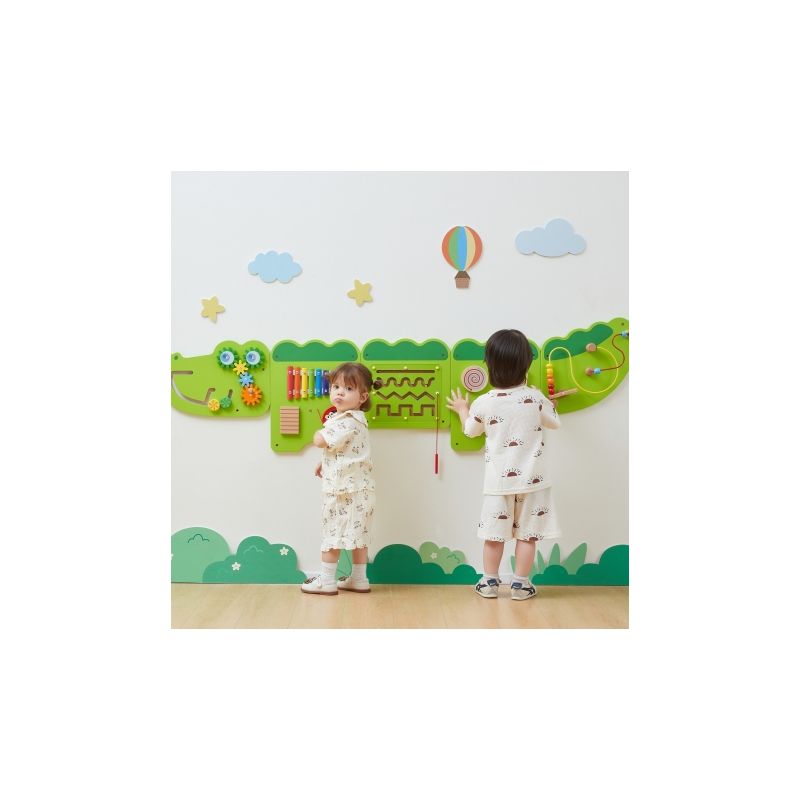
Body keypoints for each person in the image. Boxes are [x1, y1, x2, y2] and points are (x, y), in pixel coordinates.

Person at [446, 329, 561, 601]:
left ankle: (489, 582)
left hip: (498, 484)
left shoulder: (484, 402)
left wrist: (463, 409)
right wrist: (551, 404)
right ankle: (521, 585)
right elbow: (554, 422)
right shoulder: (536, 398)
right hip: (533, 482)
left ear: (489, 365)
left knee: (494, 535)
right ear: (526, 364)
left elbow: (470, 431)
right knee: (527, 536)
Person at [301, 362, 376, 595]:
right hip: (360, 490)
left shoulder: (346, 420)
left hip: (342, 492)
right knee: (357, 535)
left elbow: (321, 441)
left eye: (348, 389)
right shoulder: (357, 419)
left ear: (362, 396)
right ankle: (359, 578)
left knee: (332, 533)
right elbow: (345, 450)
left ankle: (326, 580)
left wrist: (318, 433)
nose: (340, 393)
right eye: (336, 387)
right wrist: (324, 462)